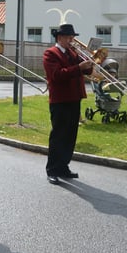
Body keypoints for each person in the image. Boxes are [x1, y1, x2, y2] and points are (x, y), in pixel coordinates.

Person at [42, 24, 94, 185]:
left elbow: (86, 71)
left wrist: (91, 62)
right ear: (60, 38)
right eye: (69, 37)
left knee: (71, 135)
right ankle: (52, 170)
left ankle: (63, 167)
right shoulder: (51, 53)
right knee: (58, 136)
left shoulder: (73, 53)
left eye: (73, 37)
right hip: (60, 100)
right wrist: (78, 67)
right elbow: (57, 75)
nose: (72, 40)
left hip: (74, 98)